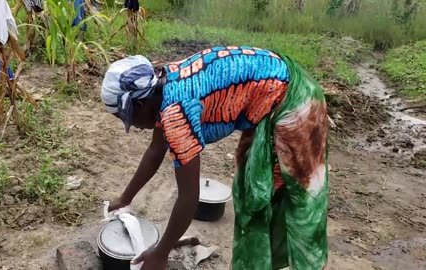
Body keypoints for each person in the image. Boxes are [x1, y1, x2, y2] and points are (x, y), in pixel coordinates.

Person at [101, 46, 329, 270]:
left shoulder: (176, 111)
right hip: (268, 97)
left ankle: (308, 263)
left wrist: (160, 254)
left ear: (140, 104)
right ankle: (262, 262)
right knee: (254, 192)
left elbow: (189, 197)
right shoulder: (162, 85)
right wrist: (125, 198)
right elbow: (155, 151)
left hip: (295, 102)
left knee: (299, 200)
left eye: (128, 117)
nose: (134, 126)